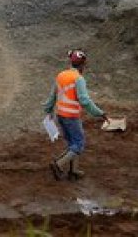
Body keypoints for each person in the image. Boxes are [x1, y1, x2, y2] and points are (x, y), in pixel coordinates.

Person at [43, 49, 109, 181]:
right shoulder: (78, 79)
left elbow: (52, 95)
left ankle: (73, 171)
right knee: (78, 144)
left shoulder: (61, 75)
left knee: (72, 143)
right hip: (71, 117)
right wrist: (99, 113)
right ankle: (58, 164)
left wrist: (48, 110)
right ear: (82, 65)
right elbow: (84, 100)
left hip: (60, 115)